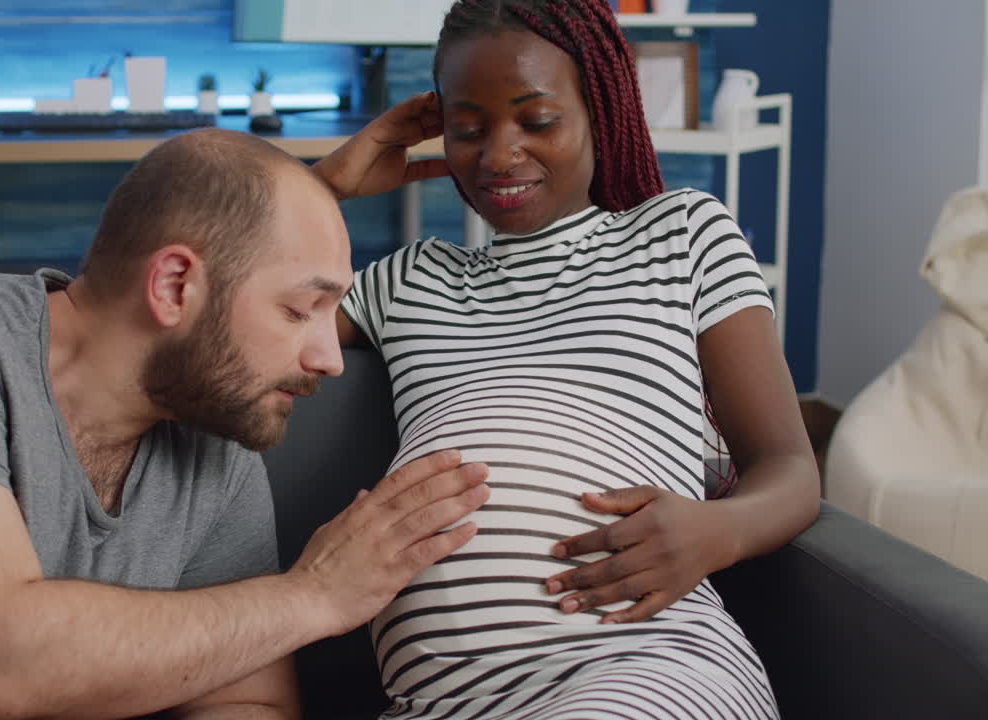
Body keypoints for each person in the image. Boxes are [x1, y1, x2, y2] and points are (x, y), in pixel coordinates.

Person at [0, 129, 491, 719]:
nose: (328, 355)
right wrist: (315, 597)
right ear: (175, 284)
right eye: (300, 309)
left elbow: (244, 701)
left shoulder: (217, 444)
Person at [310, 0, 821, 718]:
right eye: (467, 129)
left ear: (599, 111)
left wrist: (717, 531)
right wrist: (319, 186)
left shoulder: (683, 235)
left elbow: (791, 470)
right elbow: (214, 322)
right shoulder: (411, 279)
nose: (497, 155)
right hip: (436, 702)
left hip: (639, 667)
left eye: (538, 120)